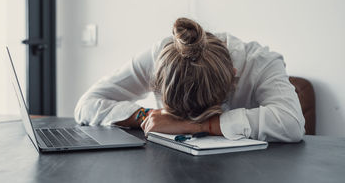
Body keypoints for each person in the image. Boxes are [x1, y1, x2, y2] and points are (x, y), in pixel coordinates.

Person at [74, 18, 305, 142]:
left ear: (232, 76)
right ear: (157, 79)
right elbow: (87, 104)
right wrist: (146, 116)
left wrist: (199, 126)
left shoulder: (260, 62)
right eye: (180, 114)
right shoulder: (159, 57)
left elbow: (292, 123)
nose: (187, 118)